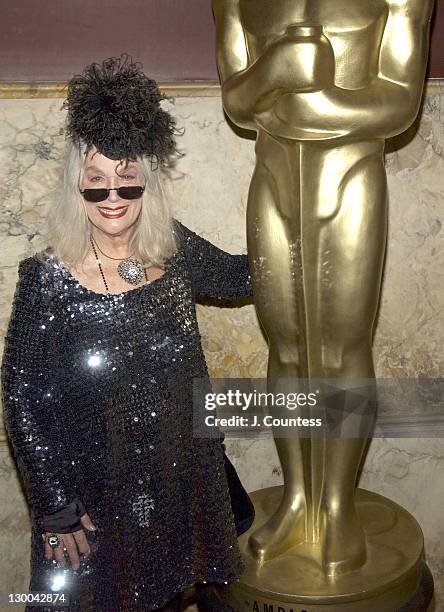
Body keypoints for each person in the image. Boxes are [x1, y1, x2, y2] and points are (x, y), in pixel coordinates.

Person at [1, 55, 252, 611]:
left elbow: (241, 277)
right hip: (91, 492)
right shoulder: (45, 278)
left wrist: (292, 219)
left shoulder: (175, 249)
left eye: (126, 180)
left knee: (167, 594)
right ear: (78, 187)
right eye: (96, 182)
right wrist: (55, 504)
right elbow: (22, 400)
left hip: (176, 478)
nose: (111, 197)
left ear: (146, 184)